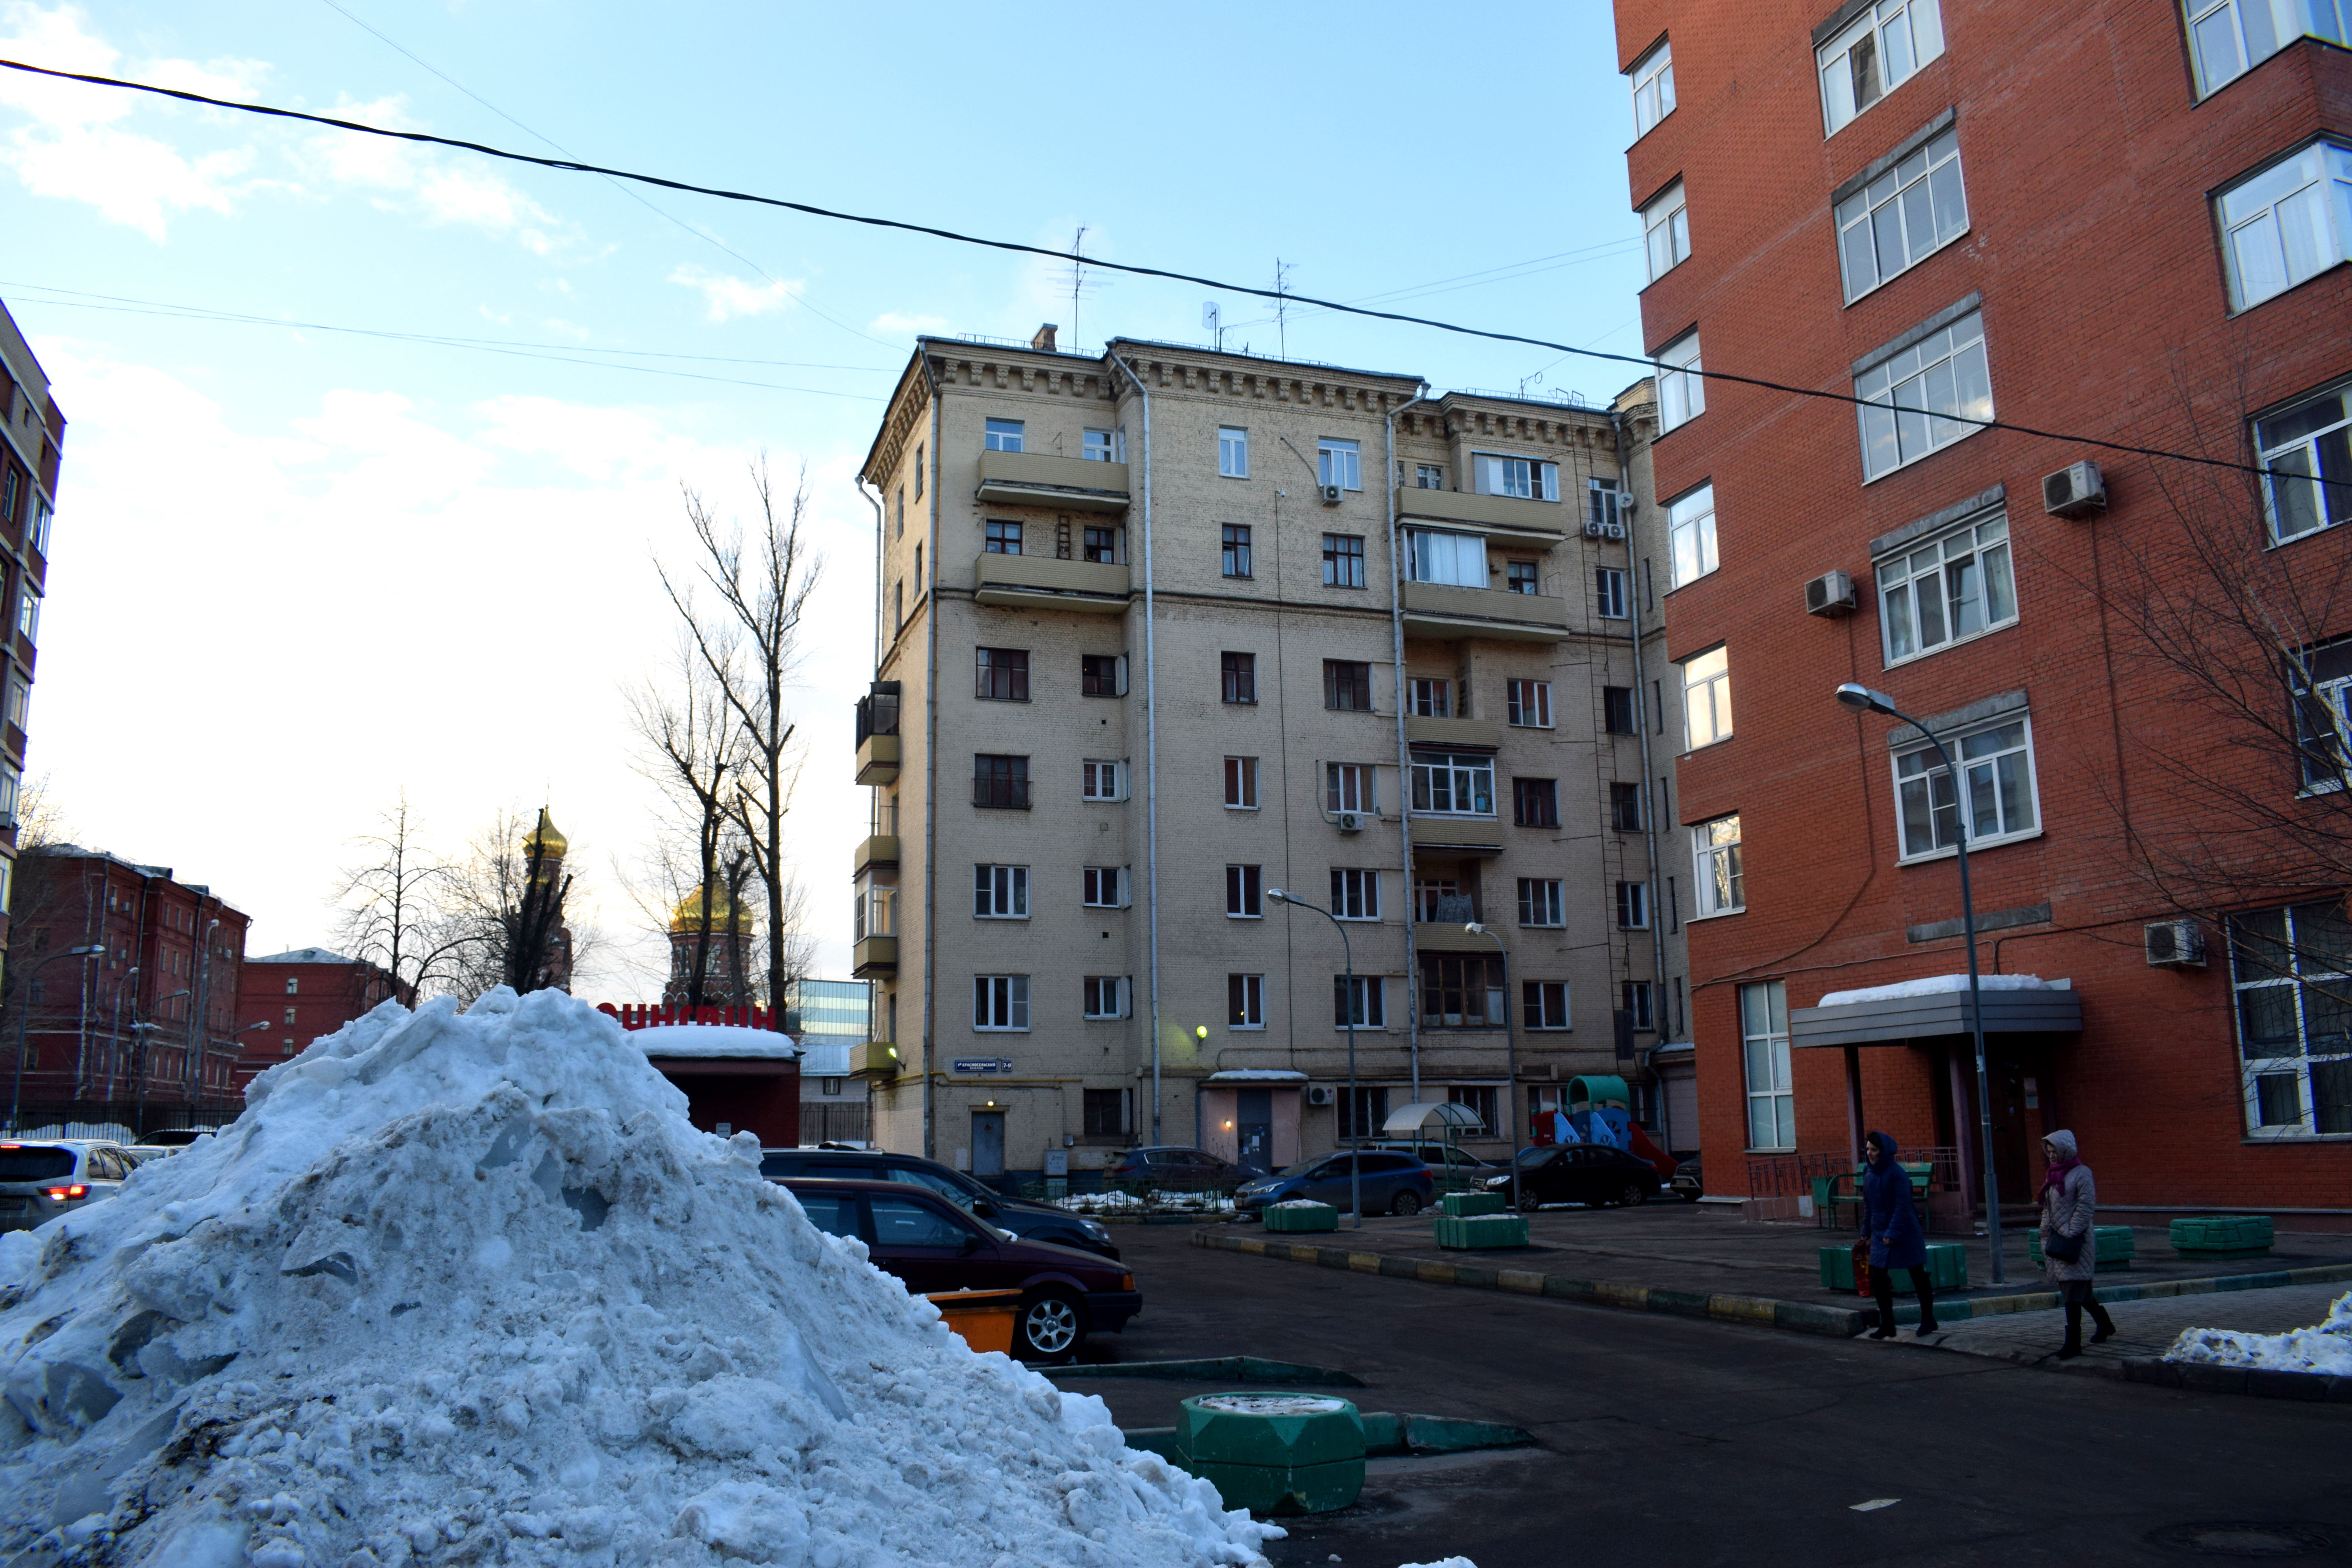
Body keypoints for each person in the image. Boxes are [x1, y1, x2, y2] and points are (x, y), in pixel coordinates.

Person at [2038, 1129, 2116, 1358]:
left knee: (2072, 1291)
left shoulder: (2082, 1173)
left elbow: (2086, 1206)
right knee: (2077, 1291)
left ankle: (2073, 1343)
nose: (2052, 1156)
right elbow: (2048, 1207)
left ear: (2066, 1150)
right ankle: (2105, 1324)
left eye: (2055, 1151)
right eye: (2049, 1151)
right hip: (2058, 1241)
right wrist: (2045, 1229)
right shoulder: (2054, 1174)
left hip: (2076, 1242)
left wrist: (2071, 1232)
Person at [1862, 1131, 1938, 1338]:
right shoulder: (1868, 1174)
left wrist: (1893, 1232)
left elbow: (1903, 1206)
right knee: (1878, 1277)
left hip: (1905, 1232)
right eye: (1868, 1149)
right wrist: (1866, 1231)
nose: (1870, 1153)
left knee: (1917, 1274)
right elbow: (1868, 1205)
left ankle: (1929, 1320)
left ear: (1884, 1151)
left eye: (1874, 1150)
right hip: (1879, 1233)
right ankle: (1888, 1325)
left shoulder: (1897, 1174)